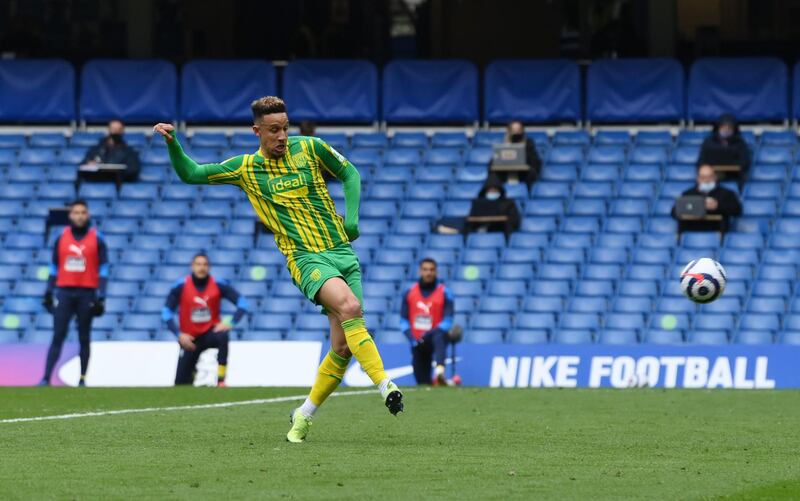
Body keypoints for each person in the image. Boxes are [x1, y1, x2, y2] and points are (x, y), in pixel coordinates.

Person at [153, 96, 403, 444]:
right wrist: (174, 145)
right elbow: (192, 173)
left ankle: (304, 415)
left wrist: (353, 218)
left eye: (285, 127)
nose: (282, 135)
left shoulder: (311, 148)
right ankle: (385, 385)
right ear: (257, 131)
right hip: (306, 260)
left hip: (343, 254)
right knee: (350, 308)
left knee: (344, 347)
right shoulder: (245, 169)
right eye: (274, 130)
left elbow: (350, 172)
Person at [40, 200, 109, 386]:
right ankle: (46, 378)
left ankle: (83, 379)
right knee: (58, 335)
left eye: (83, 212)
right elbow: (54, 267)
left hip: (86, 293)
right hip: (64, 292)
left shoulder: (97, 238)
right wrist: (48, 291)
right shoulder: (61, 237)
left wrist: (101, 297)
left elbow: (104, 269)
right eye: (76, 212)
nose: (79, 216)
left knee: (84, 337)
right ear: (70, 215)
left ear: (88, 215)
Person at [162, 252, 249, 387]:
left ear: (209, 267)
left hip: (209, 333)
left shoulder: (218, 284)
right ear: (192, 266)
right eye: (198, 264)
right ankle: (191, 374)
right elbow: (166, 312)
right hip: (190, 340)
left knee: (223, 336)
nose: (201, 267)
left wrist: (230, 323)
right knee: (180, 384)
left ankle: (221, 379)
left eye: (205, 264)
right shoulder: (180, 285)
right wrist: (179, 335)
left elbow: (243, 303)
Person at [400, 258, 455, 386]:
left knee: (439, 336)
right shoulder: (409, 293)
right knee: (422, 382)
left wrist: (429, 334)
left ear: (436, 272)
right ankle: (438, 383)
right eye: (425, 270)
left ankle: (440, 370)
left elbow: (448, 320)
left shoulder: (445, 293)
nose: (428, 273)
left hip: (436, 337)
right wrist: (412, 339)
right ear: (420, 271)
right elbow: (403, 320)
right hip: (417, 342)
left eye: (431, 270)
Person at [672, 164, 742, 234]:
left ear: (715, 177)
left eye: (710, 177)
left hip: (717, 234)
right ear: (698, 178)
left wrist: (718, 206)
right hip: (691, 234)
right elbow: (674, 212)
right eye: (703, 177)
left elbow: (737, 210)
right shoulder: (688, 194)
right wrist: (694, 207)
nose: (707, 180)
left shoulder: (727, 193)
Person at [696, 114, 751, 183]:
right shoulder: (709, 142)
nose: (726, 129)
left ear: (734, 129)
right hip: (711, 176)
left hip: (734, 177)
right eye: (723, 127)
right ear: (718, 127)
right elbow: (701, 161)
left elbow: (745, 162)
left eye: (729, 127)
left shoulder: (740, 143)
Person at [490, 120, 541, 186]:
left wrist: (522, 147)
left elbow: (535, 162)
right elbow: (493, 162)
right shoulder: (504, 144)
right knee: (493, 174)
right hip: (505, 171)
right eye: (513, 130)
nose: (516, 133)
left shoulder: (529, 144)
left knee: (531, 173)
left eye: (518, 130)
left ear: (522, 131)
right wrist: (507, 145)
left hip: (523, 174)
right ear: (509, 132)